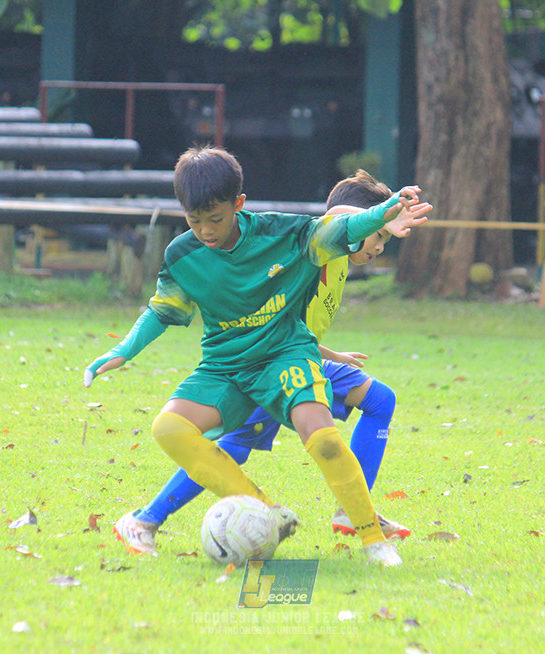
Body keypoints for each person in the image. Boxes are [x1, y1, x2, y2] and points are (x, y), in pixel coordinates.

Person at [84, 146, 427, 566]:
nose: (206, 231)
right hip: (228, 366)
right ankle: (195, 515)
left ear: (238, 205)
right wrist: (124, 349)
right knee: (181, 432)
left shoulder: (294, 238)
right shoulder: (183, 255)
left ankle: (368, 531)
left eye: (215, 219)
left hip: (285, 357)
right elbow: (163, 309)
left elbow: (335, 230)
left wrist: (383, 215)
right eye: (195, 221)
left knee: (330, 430)